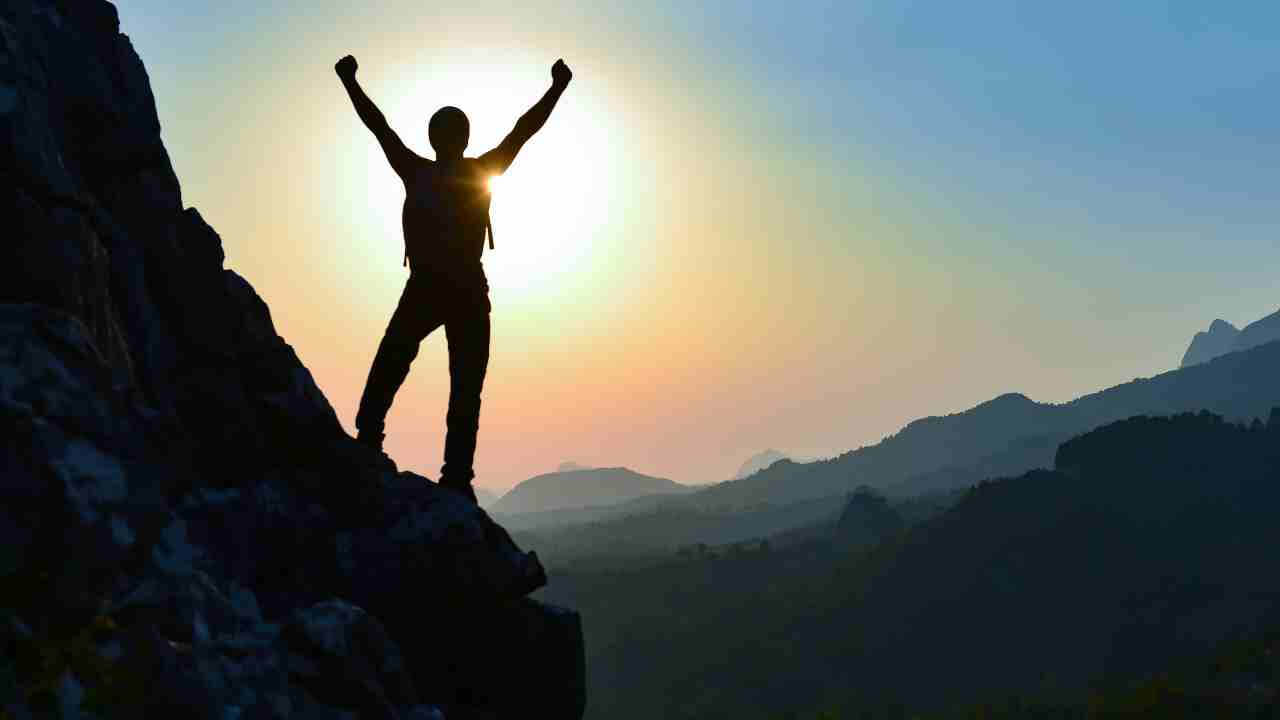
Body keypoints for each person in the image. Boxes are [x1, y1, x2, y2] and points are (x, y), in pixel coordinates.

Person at [335, 53, 572, 503]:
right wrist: (556, 88)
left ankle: (375, 441)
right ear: (462, 139)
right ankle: (455, 476)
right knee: (461, 387)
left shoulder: (418, 170)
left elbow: (378, 125)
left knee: (396, 363)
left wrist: (350, 81)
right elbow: (524, 130)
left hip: (431, 287)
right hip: (462, 289)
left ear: (436, 138)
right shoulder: (475, 170)